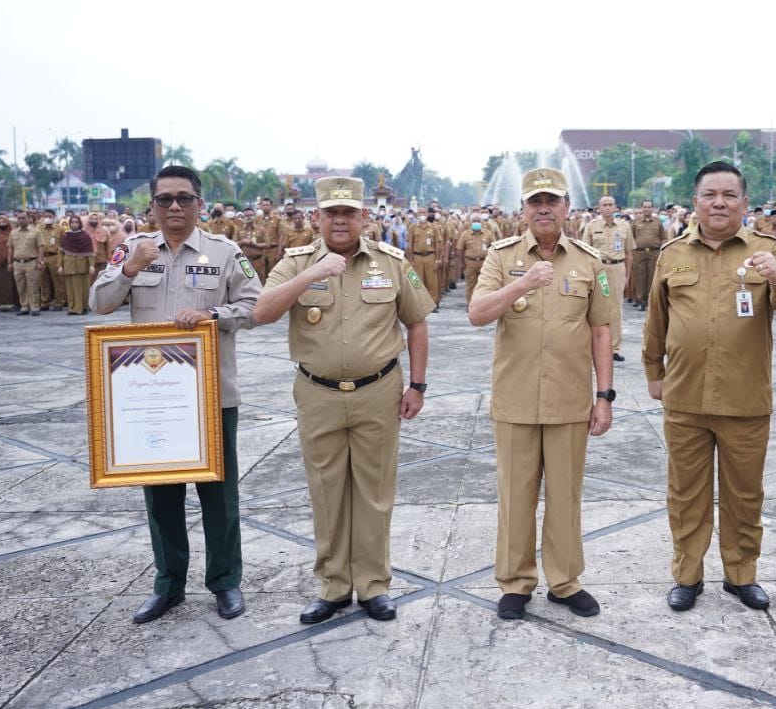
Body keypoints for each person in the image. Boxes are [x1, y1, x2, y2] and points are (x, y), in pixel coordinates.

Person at [255, 177, 432, 625]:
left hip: (379, 392)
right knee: (326, 492)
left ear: (364, 218)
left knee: (374, 493)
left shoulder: (391, 262)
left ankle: (373, 585)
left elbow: (416, 323)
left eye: (348, 212)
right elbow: (262, 311)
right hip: (318, 393)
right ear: (317, 217)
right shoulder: (296, 262)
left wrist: (419, 385)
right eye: (331, 212)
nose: (339, 219)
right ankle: (333, 587)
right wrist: (314, 272)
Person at [90, 165, 259, 624]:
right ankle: (169, 585)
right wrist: (130, 269)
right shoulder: (134, 249)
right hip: (150, 398)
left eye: (184, 198)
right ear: (153, 206)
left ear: (199, 204)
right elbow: (99, 302)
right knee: (161, 496)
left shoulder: (225, 252)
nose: (175, 207)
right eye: (165, 200)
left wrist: (213, 315)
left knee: (218, 495)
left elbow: (254, 306)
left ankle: (225, 582)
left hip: (211, 396)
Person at [643, 161, 776, 612]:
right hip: (685, 396)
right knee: (686, 493)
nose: (719, 202)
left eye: (729, 195)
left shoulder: (768, 249)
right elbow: (656, 321)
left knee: (745, 494)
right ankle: (687, 576)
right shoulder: (673, 253)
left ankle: (741, 575)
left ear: (744, 203)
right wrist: (653, 373)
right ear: (695, 202)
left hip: (745, 396)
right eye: (710, 194)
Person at [468, 167, 615, 620]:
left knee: (566, 496)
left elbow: (601, 331)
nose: (544, 209)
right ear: (524, 210)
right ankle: (515, 582)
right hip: (514, 399)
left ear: (567, 207)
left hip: (570, 400)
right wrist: (522, 283)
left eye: (552, 201)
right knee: (516, 496)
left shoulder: (590, 260)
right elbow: (476, 313)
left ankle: (565, 581)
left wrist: (605, 395)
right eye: (535, 202)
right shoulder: (501, 256)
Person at [581, 196, 635, 361]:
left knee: (616, 309)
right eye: (604, 205)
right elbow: (584, 253)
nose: (607, 207)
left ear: (615, 208)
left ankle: (614, 347)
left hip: (617, 268)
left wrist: (627, 277)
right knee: (596, 307)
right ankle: (593, 345)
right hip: (599, 269)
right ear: (599, 208)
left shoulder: (624, 226)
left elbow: (629, 254)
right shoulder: (591, 226)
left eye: (610, 205)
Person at [630, 200, 668, 310]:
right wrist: (631, 253)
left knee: (653, 277)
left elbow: (663, 238)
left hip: (654, 252)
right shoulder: (635, 222)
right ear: (641, 208)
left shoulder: (658, 222)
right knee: (640, 277)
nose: (647, 209)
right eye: (645, 206)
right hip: (639, 253)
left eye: (649, 207)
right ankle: (642, 302)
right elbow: (630, 238)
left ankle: (652, 302)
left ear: (652, 208)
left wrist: (662, 250)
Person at [8, 211, 44, 316]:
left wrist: (40, 261)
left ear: (28, 219)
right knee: (21, 286)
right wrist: (9, 262)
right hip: (17, 263)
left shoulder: (36, 232)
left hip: (31, 262)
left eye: (23, 218)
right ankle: (24, 307)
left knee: (33, 286)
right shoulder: (13, 233)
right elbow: (10, 248)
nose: (21, 220)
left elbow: (41, 247)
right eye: (19, 218)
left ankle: (35, 307)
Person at [59, 215, 95, 314]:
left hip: (82, 266)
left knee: (82, 288)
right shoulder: (66, 236)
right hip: (69, 265)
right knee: (70, 289)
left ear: (80, 224)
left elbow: (90, 253)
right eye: (72, 222)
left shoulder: (85, 236)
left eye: (76, 222)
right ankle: (72, 308)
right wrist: (60, 266)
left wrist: (92, 265)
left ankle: (82, 307)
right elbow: (61, 252)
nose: (74, 224)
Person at [456, 214, 493, 304]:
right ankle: (470, 304)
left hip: (484, 262)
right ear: (471, 223)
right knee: (470, 285)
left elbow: (494, 248)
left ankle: (482, 304)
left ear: (481, 222)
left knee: (484, 285)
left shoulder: (488, 233)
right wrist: (461, 263)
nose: (476, 223)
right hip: (469, 263)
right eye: (474, 221)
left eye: (478, 221)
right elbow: (459, 249)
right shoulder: (465, 234)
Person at [37, 209, 66, 310]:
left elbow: (64, 244)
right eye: (45, 216)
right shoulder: (39, 229)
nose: (47, 218)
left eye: (49, 216)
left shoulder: (60, 229)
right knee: (43, 281)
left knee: (57, 281)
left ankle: (59, 302)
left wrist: (61, 260)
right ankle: (45, 302)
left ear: (54, 217)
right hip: (42, 256)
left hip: (55, 256)